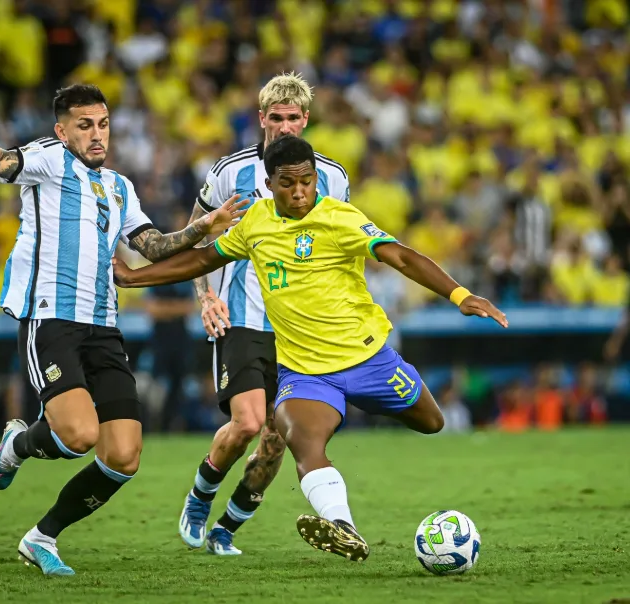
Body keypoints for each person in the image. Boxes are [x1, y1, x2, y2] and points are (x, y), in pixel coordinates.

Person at [113, 135, 508, 562]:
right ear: (270, 183)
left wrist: (459, 295)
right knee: (301, 441)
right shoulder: (255, 223)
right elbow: (202, 260)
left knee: (432, 422)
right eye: (288, 183)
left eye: (307, 181)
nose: (299, 191)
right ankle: (344, 527)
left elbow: (401, 257)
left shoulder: (340, 218)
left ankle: (356, 420)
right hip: (304, 373)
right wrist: (135, 277)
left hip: (369, 359)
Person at [0, 84, 246, 576]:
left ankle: (41, 536)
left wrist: (204, 226)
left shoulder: (120, 186)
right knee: (78, 435)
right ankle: (16, 446)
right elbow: (2, 161)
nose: (97, 134)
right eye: (84, 125)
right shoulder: (46, 159)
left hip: (103, 326)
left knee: (124, 456)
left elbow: (150, 246)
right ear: (62, 131)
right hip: (52, 319)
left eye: (103, 123)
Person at [180, 72, 350, 555]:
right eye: (275, 118)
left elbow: (341, 242)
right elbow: (196, 231)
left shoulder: (333, 177)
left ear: (306, 120)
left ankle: (227, 527)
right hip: (243, 317)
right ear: (261, 120)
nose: (284, 127)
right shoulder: (232, 171)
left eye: (293, 118)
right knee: (250, 422)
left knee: (279, 438)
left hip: (301, 329)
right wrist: (204, 295)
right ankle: (201, 494)